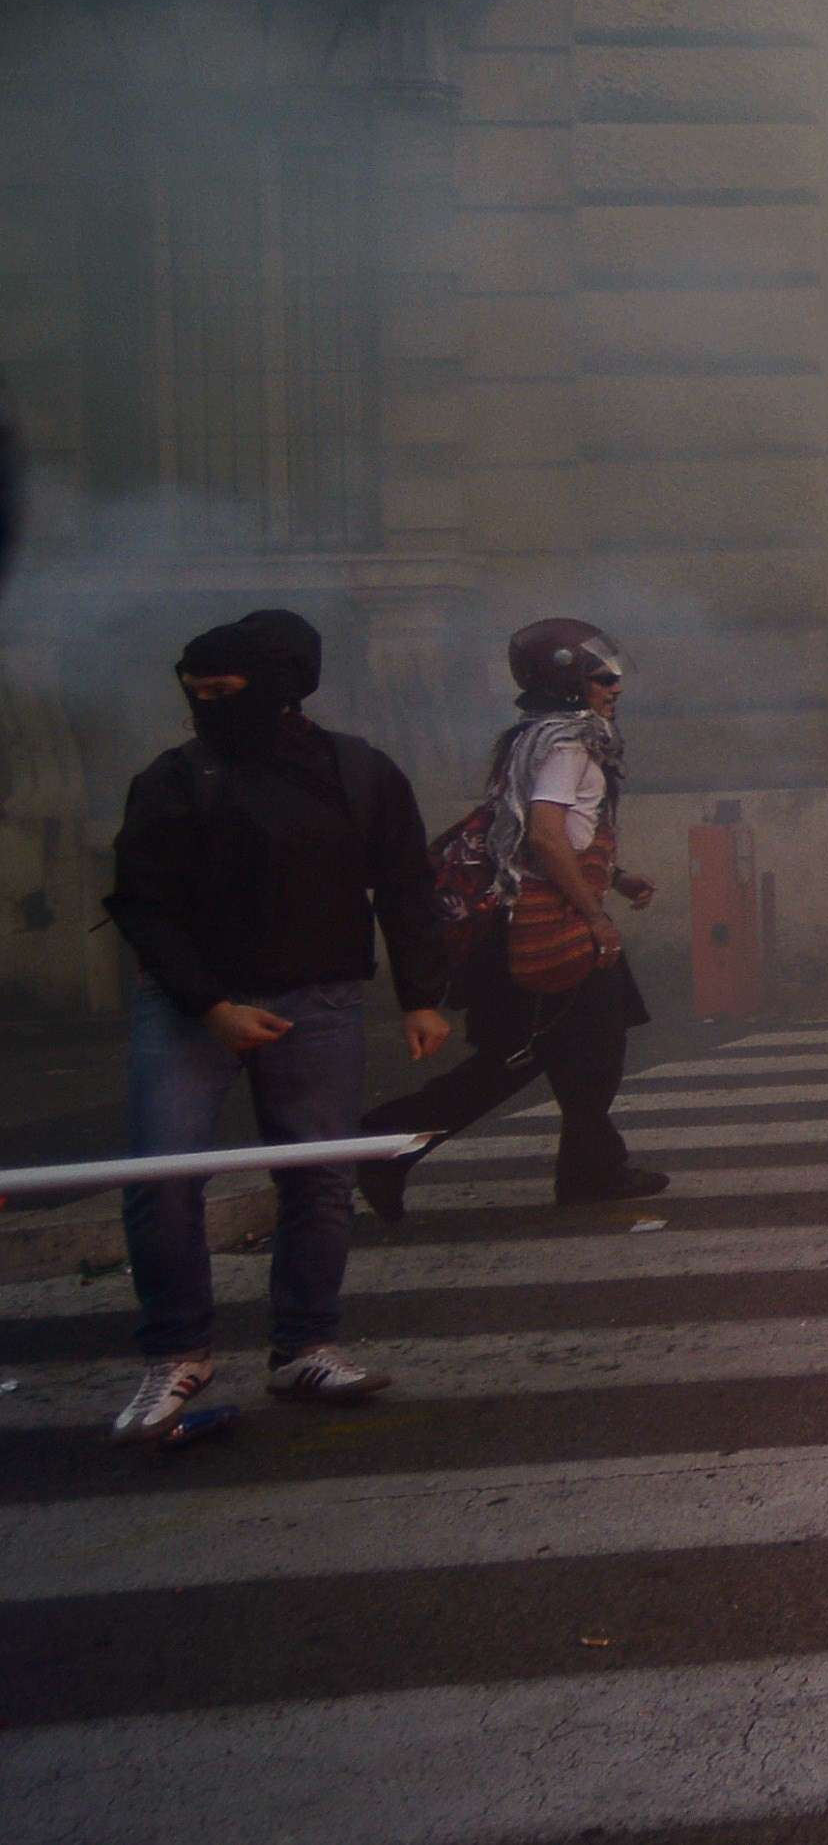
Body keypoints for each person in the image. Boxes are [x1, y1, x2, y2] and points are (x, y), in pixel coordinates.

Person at [102, 609, 452, 1443]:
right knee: (162, 1180)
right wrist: (211, 1006)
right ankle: (178, 1354)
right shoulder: (175, 778)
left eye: (223, 692)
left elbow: (405, 884)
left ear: (282, 690)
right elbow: (143, 904)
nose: (205, 706)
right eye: (195, 693)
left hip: (320, 1003)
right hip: (193, 1009)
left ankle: (305, 1345)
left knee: (320, 1180)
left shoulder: (359, 773)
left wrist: (421, 994)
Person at [356, 618, 664, 1217]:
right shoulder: (567, 742)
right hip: (549, 928)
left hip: (537, 920)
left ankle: (591, 1169)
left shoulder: (544, 736)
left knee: (560, 1053)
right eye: (602, 675)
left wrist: (617, 875)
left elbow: (539, 830)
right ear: (568, 678)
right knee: (538, 1058)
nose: (616, 685)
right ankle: (386, 1141)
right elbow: (547, 838)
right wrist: (595, 913)